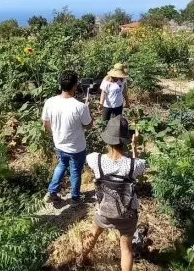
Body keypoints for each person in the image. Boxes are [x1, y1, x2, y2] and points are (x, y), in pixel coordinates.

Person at [79, 115, 146, 271]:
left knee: (93, 234)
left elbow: (88, 158)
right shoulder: (134, 165)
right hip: (127, 213)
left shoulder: (95, 159)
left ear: (107, 139)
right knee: (126, 248)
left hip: (104, 211)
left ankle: (81, 259)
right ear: (126, 140)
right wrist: (135, 147)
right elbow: (138, 165)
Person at [42, 70, 93, 203]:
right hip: (76, 147)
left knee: (61, 165)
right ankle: (75, 197)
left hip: (59, 144)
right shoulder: (80, 107)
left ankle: (52, 191)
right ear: (75, 86)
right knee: (75, 171)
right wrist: (88, 110)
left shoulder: (50, 102)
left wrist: (56, 134)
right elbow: (88, 125)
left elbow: (46, 124)